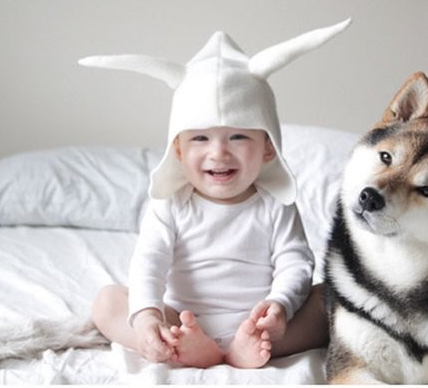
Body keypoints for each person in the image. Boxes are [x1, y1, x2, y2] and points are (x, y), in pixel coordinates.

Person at [83, 19, 351, 368]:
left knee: (332, 298)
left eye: (238, 137)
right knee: (108, 302)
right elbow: (150, 262)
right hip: (183, 319)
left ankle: (250, 346)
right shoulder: (171, 204)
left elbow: (296, 262)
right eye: (200, 138)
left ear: (268, 148)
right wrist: (149, 318)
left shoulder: (276, 204)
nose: (219, 152)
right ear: (177, 149)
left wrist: (280, 307)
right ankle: (169, 345)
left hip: (261, 322)